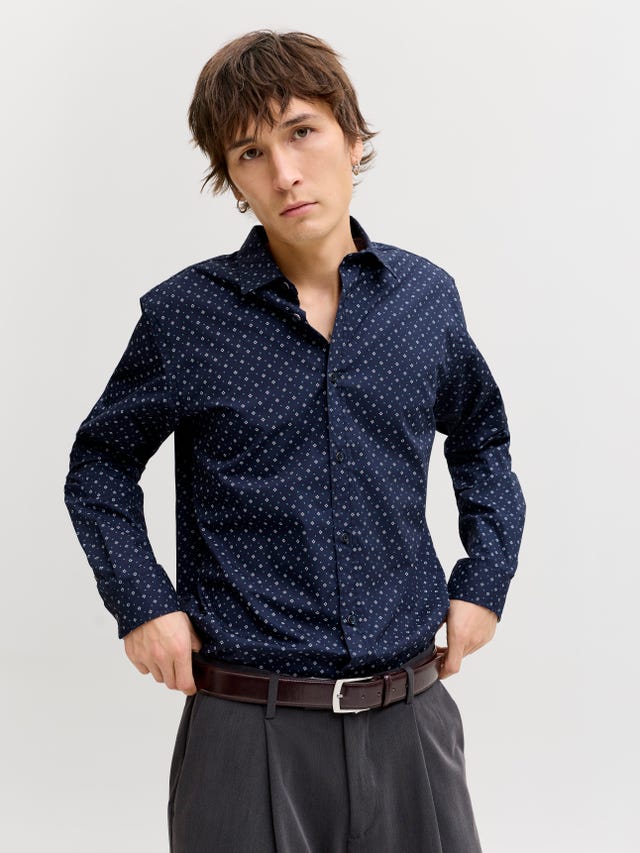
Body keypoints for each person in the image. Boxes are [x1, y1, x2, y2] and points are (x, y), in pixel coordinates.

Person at [63, 29, 526, 853]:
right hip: (247, 729)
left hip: (412, 720)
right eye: (250, 152)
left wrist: (484, 581)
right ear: (231, 178)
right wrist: (144, 603)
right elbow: (100, 465)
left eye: (301, 131)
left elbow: (482, 437)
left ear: (352, 136)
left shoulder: (426, 299)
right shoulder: (185, 317)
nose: (284, 172)